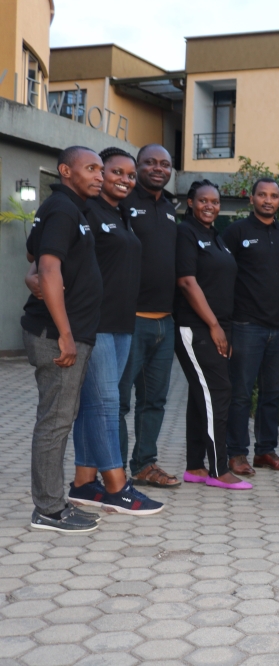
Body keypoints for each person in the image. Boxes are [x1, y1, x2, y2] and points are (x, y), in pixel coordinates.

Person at [43, 147, 160, 516]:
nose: (123, 179)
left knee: (96, 405)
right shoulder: (83, 210)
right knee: (107, 405)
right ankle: (116, 488)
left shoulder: (120, 213)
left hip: (123, 323)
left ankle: (82, 482)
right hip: (96, 324)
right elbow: (44, 260)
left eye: (129, 175)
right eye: (113, 172)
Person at [22, 147, 105, 532]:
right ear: (65, 171)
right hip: (58, 335)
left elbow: (34, 258)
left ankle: (52, 502)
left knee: (59, 419)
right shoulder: (61, 207)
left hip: (71, 332)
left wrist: (34, 274)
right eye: (91, 168)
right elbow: (49, 266)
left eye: (101, 169)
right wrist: (66, 335)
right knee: (55, 422)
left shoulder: (74, 209)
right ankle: (49, 510)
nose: (99, 175)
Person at [174, 180, 250, 490]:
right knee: (218, 392)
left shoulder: (215, 236)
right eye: (203, 200)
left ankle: (195, 466)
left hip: (220, 326)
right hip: (197, 326)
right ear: (190, 202)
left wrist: (224, 327)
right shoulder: (186, 233)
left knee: (200, 395)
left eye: (215, 201)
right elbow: (187, 282)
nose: (210, 206)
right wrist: (214, 326)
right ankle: (219, 469)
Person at [221, 177, 279, 475]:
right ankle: (237, 453)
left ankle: (265, 451)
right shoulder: (235, 233)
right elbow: (222, 276)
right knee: (241, 394)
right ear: (251, 198)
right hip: (246, 326)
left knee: (272, 393)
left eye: (274, 195)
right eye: (262, 195)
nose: (268, 200)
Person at [119, 144, 182, 489]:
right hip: (130, 322)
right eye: (150, 163)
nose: (158, 168)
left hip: (165, 322)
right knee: (118, 401)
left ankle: (144, 465)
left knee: (154, 400)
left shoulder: (170, 209)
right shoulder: (124, 203)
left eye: (165, 164)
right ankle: (111, 471)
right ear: (137, 166)